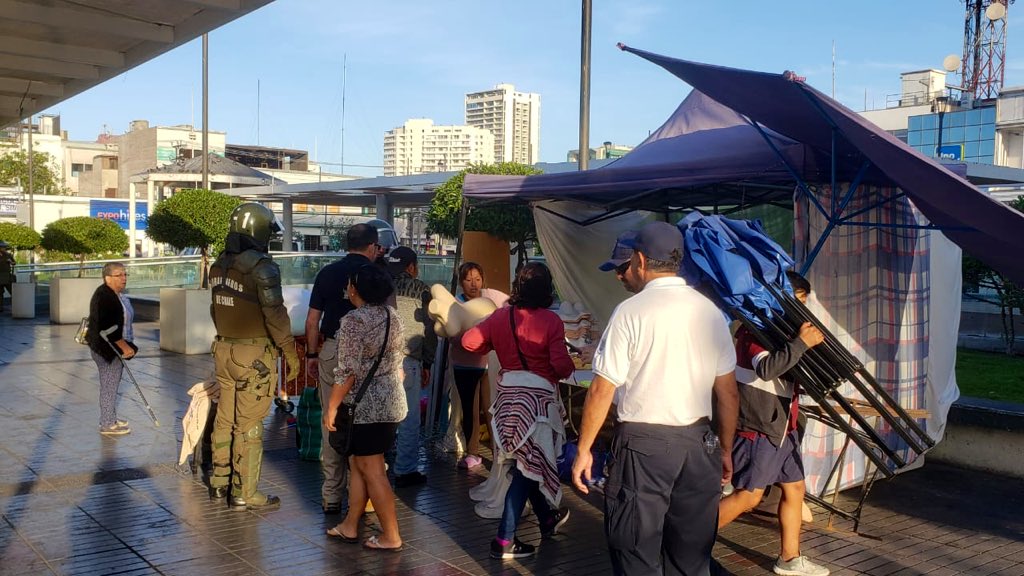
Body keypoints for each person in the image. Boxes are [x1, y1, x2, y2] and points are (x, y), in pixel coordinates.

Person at [571, 221, 740, 576]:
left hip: (644, 448)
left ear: (640, 260)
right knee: (691, 558)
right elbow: (727, 391)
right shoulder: (710, 313)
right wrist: (724, 449)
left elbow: (603, 388)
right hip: (699, 444)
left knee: (635, 550)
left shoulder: (631, 312)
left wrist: (584, 448)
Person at [718, 272, 829, 576]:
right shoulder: (754, 332)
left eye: (805, 303)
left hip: (784, 426)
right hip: (759, 426)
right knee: (748, 496)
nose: (802, 310)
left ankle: (789, 558)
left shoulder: (783, 335)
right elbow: (767, 369)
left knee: (795, 489)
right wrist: (801, 344)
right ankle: (684, 542)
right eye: (799, 301)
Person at [462, 262, 575, 559]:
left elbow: (469, 341)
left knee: (525, 464)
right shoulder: (552, 322)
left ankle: (547, 519)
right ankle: (504, 540)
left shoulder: (500, 317)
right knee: (526, 470)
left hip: (506, 402)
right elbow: (562, 367)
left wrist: (493, 344)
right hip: (537, 406)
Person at [208, 202, 299, 512]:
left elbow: (214, 308)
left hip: (223, 351)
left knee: (224, 418)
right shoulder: (262, 267)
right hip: (253, 358)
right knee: (249, 425)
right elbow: (275, 314)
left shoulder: (219, 264)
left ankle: (220, 482)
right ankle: (246, 492)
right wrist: (290, 352)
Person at [324, 264, 406, 552]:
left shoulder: (354, 321)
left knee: (372, 470)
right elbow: (398, 363)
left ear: (354, 290)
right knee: (359, 464)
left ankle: (391, 535)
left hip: (365, 407)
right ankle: (350, 524)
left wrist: (332, 406)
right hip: (390, 402)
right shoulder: (392, 316)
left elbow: (348, 371)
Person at [304, 223, 381, 514]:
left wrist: (312, 355)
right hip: (369, 354)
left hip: (332, 350)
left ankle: (331, 496)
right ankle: (363, 495)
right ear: (372, 247)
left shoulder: (327, 273)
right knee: (364, 422)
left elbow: (313, 321)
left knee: (331, 418)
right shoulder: (376, 275)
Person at [387, 246, 437, 488]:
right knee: (408, 417)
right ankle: (405, 470)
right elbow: (430, 330)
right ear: (411, 267)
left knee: (383, 416)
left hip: (380, 362)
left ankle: (379, 464)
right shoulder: (421, 290)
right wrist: (428, 361)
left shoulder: (380, 285)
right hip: (408, 360)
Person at [449, 262, 507, 468]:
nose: (474, 284)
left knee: (491, 407)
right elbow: (452, 335)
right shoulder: (455, 304)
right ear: (461, 282)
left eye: (477, 279)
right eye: (468, 279)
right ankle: (472, 452)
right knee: (470, 410)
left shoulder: (491, 298)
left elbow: (509, 309)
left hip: (488, 364)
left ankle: (497, 449)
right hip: (465, 365)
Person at [87, 262, 137, 435]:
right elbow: (108, 326)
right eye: (119, 275)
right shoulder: (105, 296)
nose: (123, 278)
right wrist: (124, 346)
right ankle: (107, 423)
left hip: (113, 346)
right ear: (108, 278)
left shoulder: (116, 295)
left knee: (112, 383)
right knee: (109, 385)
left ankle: (110, 417)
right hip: (107, 349)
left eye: (125, 274)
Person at [0, 241, 14, 313]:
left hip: (7, 275)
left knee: (12, 291)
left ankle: (15, 305)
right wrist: (5, 260)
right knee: (0, 293)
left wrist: (11, 262)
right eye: (2, 247)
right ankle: (0, 307)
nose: (4, 249)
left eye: (4, 247)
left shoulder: (8, 254)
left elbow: (14, 262)